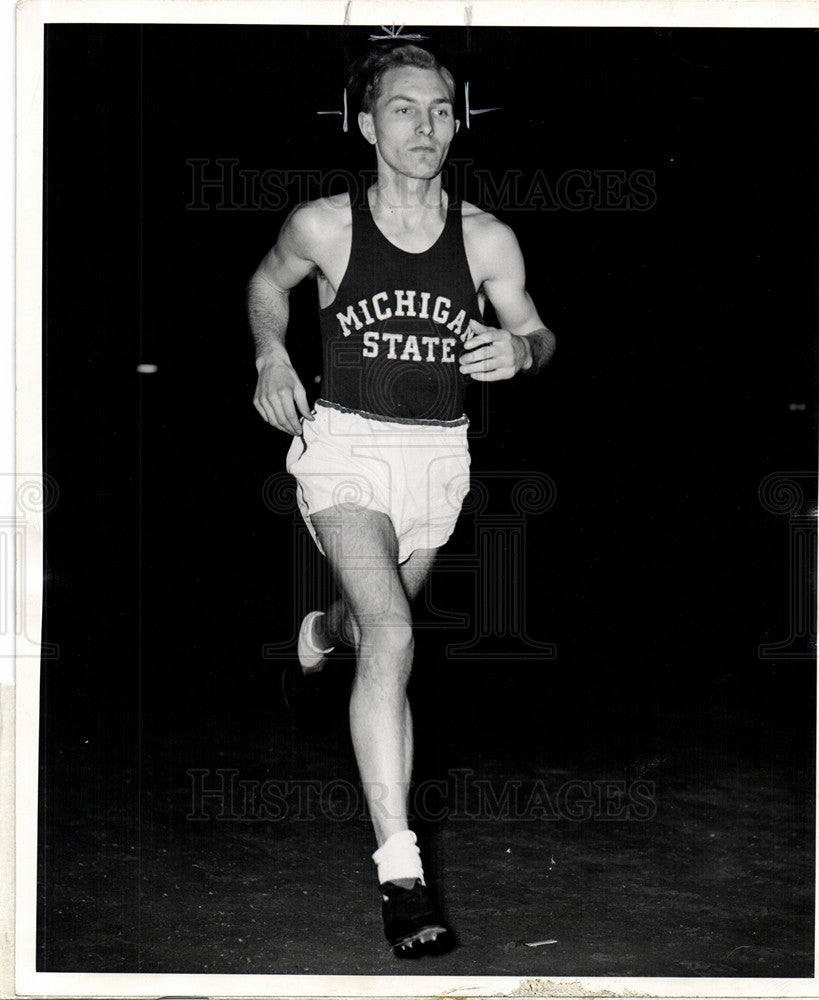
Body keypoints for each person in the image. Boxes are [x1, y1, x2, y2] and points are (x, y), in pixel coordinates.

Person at [247, 43, 555, 957]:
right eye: (405, 109)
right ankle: (400, 875)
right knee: (394, 636)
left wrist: (521, 354)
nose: (427, 127)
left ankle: (319, 631)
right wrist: (270, 353)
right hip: (343, 448)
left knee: (369, 627)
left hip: (436, 463)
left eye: (443, 110)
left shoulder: (488, 237)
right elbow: (268, 283)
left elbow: (536, 330)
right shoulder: (324, 226)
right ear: (365, 122)